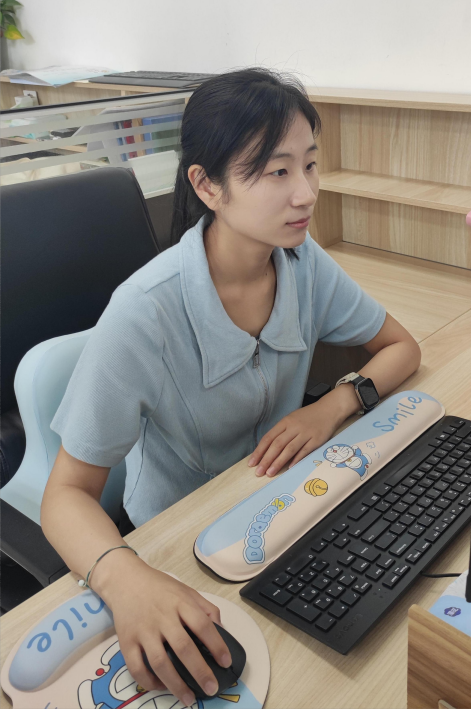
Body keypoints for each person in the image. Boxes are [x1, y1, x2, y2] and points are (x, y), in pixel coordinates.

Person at [41, 68, 421, 705]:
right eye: (276, 172)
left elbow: (402, 348)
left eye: (310, 164)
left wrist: (332, 406)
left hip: (282, 504)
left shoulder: (303, 261)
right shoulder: (143, 312)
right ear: (206, 185)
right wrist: (125, 580)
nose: (305, 193)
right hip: (181, 541)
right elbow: (65, 496)